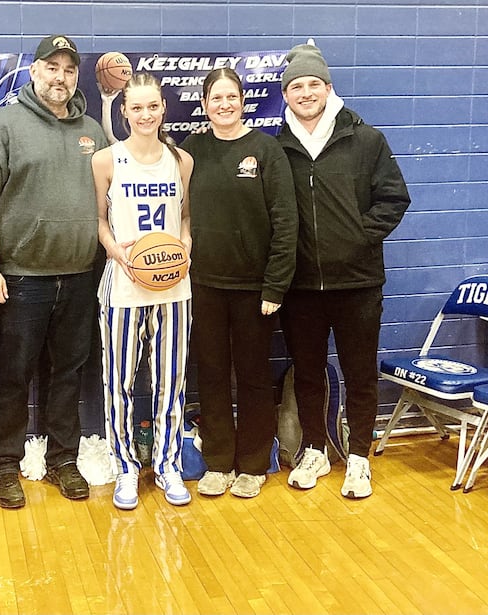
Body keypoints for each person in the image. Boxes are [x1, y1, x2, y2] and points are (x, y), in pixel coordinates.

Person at [0, 35, 108, 509]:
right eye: (52, 67)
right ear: (33, 72)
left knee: (67, 372)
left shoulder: (93, 131)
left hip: (81, 275)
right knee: (13, 374)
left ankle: (63, 458)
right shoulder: (1, 126)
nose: (60, 77)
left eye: (69, 70)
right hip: (21, 278)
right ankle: (4, 464)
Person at [277, 43, 411, 498]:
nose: (306, 92)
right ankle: (314, 447)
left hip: (357, 284)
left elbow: (394, 199)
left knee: (359, 373)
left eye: (314, 83)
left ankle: (358, 458)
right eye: (297, 85)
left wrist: (357, 238)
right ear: (286, 94)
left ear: (329, 88)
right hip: (300, 288)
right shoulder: (279, 148)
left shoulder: (365, 139)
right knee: (308, 371)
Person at [180, 68, 297, 499]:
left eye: (232, 97)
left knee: (251, 376)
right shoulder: (192, 150)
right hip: (203, 285)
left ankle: (251, 464)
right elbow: (179, 213)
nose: (224, 105)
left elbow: (286, 222)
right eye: (216, 98)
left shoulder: (266, 150)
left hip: (254, 290)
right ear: (205, 105)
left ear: (243, 101)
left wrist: (274, 286)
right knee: (210, 374)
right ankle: (217, 462)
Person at [91, 72, 195, 510]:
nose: (146, 114)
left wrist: (184, 246)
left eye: (153, 106)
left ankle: (168, 465)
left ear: (163, 109)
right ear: (124, 111)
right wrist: (117, 252)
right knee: (119, 383)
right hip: (124, 288)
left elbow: (185, 219)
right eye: (137, 107)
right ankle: (126, 467)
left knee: (171, 383)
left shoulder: (181, 160)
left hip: (175, 289)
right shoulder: (106, 160)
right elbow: (99, 222)